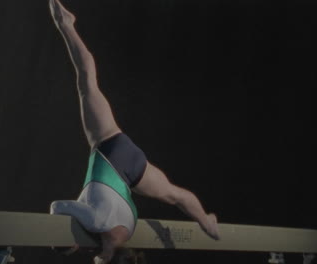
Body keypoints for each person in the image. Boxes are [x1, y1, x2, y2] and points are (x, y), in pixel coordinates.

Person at [48, 0, 220, 263]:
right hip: (110, 148)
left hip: (132, 171)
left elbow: (107, 243)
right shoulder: (96, 221)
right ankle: (65, 24)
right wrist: (65, 244)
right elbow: (57, 207)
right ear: (107, 257)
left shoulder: (128, 230)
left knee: (175, 195)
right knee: (86, 82)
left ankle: (206, 222)